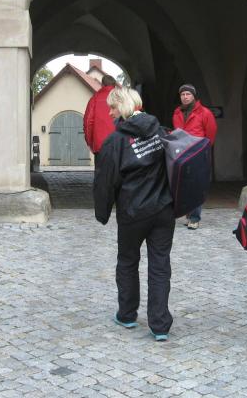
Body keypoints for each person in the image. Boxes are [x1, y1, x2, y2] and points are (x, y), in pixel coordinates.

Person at [94, 87, 175, 341]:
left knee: (128, 261)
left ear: (124, 106)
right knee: (160, 265)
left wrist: (102, 212)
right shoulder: (160, 132)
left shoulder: (115, 141)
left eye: (113, 107)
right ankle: (160, 325)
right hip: (163, 208)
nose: (110, 113)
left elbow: (105, 181)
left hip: (133, 211)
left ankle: (127, 314)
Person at [171, 83, 217, 229]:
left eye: (188, 94)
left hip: (198, 153)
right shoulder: (177, 113)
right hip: (182, 154)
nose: (185, 97)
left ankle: (195, 218)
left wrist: (204, 149)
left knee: (196, 186)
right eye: (182, 94)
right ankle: (188, 214)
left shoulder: (205, 113)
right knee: (183, 185)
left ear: (193, 96)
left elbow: (211, 133)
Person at [83, 74, 118, 155]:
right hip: (121, 145)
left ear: (102, 85)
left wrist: (89, 143)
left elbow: (88, 123)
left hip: (100, 145)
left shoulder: (94, 99)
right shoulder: (122, 98)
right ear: (114, 85)